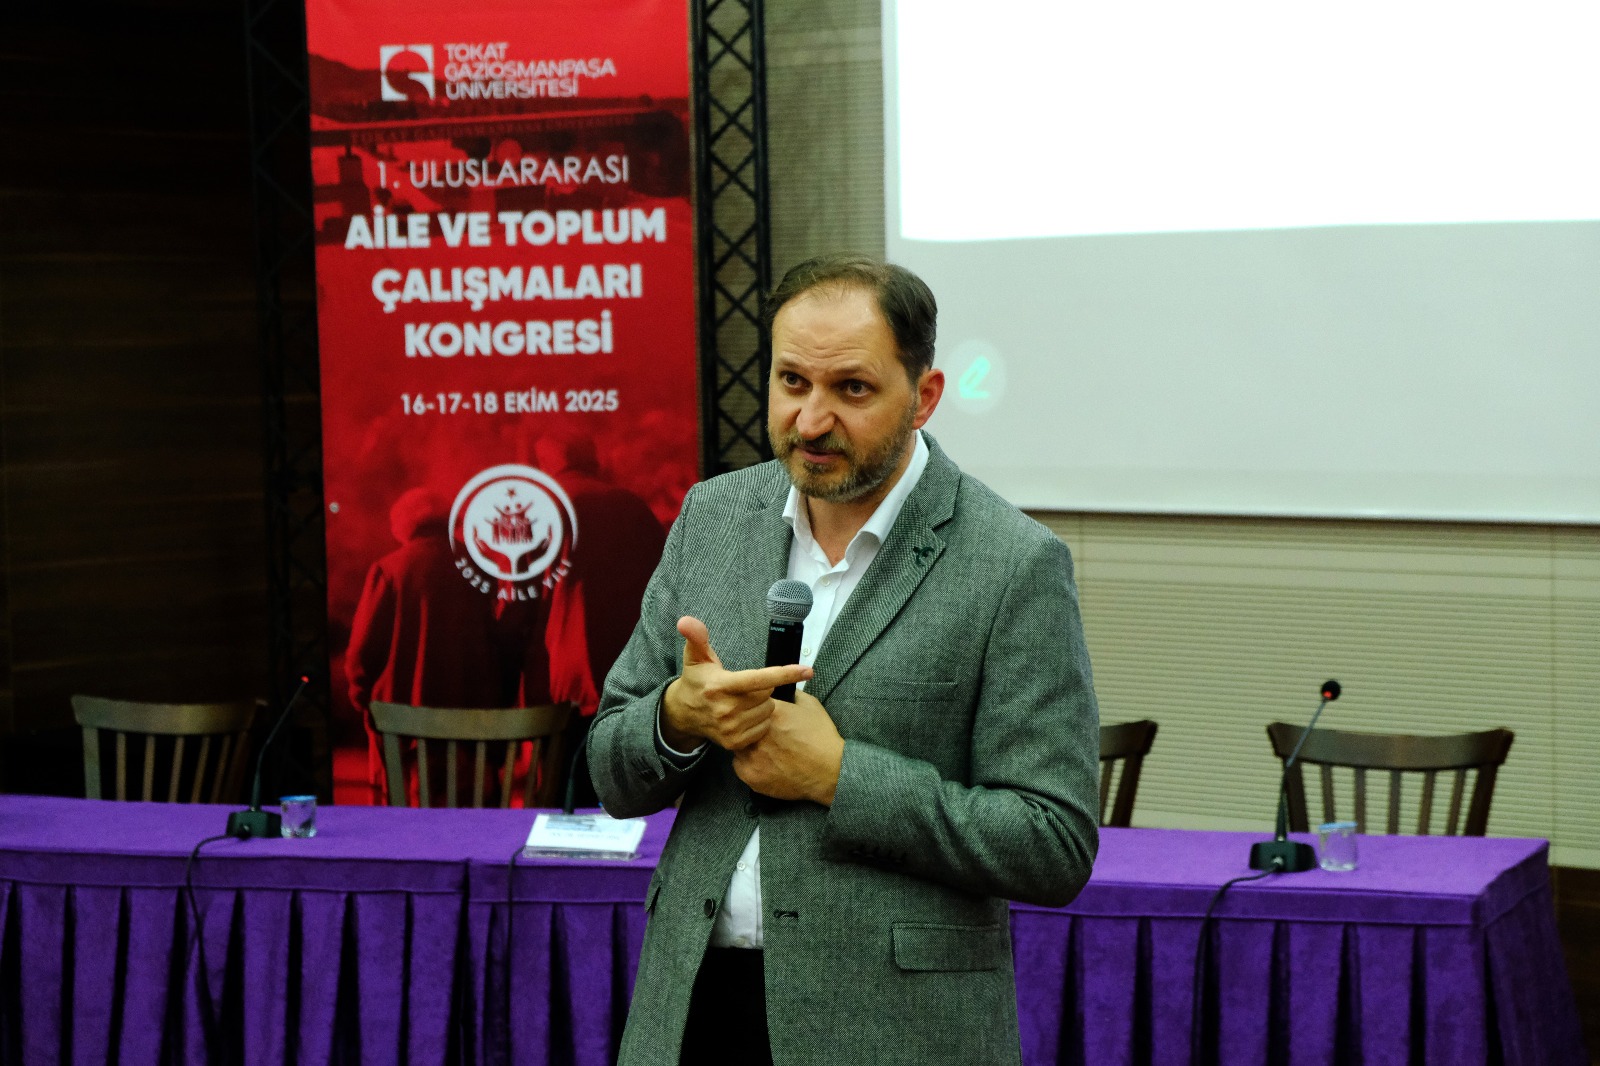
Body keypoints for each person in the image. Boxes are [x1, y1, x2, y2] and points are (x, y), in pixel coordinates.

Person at [588, 254, 1100, 1066]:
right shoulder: (712, 516)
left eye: (852, 389)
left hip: (892, 1030)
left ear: (924, 396)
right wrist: (676, 720)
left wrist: (839, 776)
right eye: (791, 382)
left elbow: (1053, 843)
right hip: (690, 1010)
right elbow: (610, 769)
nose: (811, 419)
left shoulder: (1012, 564)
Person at [346, 487, 502, 802]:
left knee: (412, 814)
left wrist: (363, 697)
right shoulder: (480, 567)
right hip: (473, 726)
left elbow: (362, 654)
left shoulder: (389, 570)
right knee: (472, 813)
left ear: (402, 526)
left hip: (404, 726)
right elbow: (499, 641)